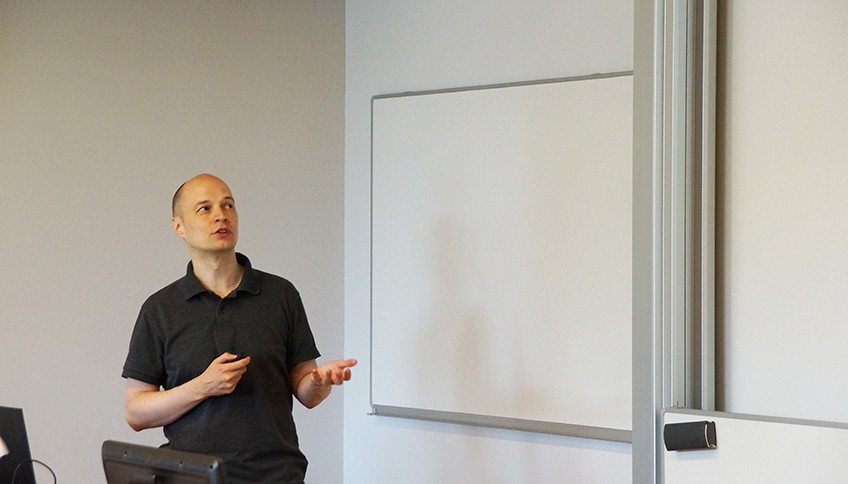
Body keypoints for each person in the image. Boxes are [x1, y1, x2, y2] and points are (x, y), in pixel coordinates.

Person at [122, 173, 356, 483]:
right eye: (205, 208)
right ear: (179, 226)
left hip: (275, 476)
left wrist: (319, 381)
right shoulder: (160, 309)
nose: (221, 215)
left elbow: (307, 392)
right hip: (191, 477)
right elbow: (136, 412)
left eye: (228, 205)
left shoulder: (280, 295)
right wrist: (203, 386)